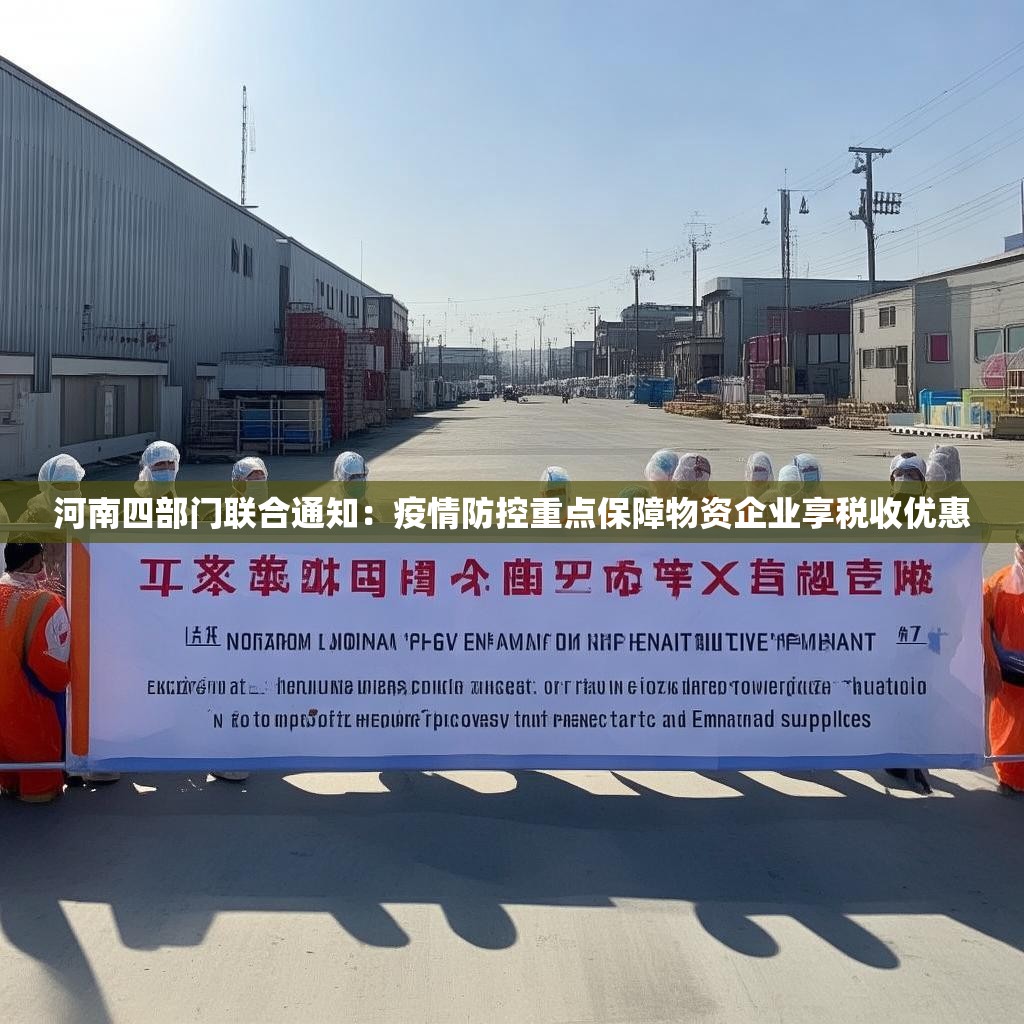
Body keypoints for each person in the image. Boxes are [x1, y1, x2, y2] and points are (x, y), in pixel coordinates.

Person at [0, 542, 72, 803]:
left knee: (7, 775)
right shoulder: (47, 604)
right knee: (41, 790)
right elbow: (55, 676)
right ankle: (35, 792)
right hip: (30, 717)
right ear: (32, 562)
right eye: (42, 561)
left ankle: (8, 783)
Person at [983, 531, 1024, 796]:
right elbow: (983, 625)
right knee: (1009, 736)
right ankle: (1010, 776)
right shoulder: (998, 583)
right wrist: (992, 663)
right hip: (1009, 679)